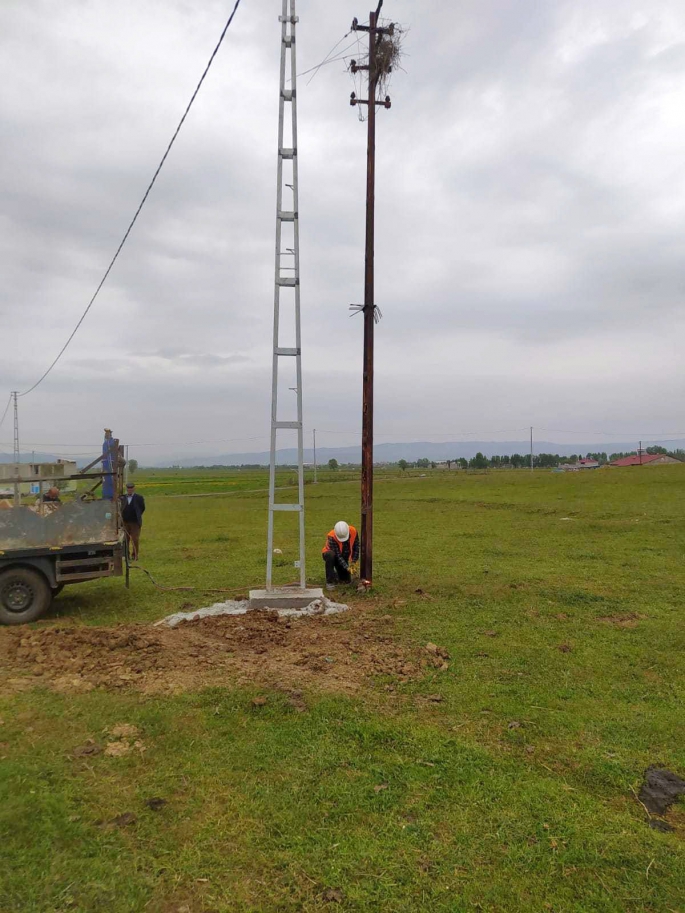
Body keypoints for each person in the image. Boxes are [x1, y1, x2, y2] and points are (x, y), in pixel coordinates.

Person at [322, 520, 359, 590]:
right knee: (331, 555)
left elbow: (356, 547)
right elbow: (338, 555)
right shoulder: (331, 536)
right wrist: (347, 567)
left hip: (344, 555)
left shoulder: (353, 531)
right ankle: (330, 581)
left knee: (345, 580)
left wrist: (354, 562)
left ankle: (336, 575)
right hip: (332, 555)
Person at [120, 482, 145, 561]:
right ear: (126, 489)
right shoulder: (122, 498)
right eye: (128, 488)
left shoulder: (139, 498)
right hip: (125, 522)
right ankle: (126, 555)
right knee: (125, 540)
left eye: (131, 488)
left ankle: (135, 555)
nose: (130, 490)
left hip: (135, 523)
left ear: (134, 489)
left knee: (135, 539)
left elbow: (142, 508)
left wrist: (137, 515)